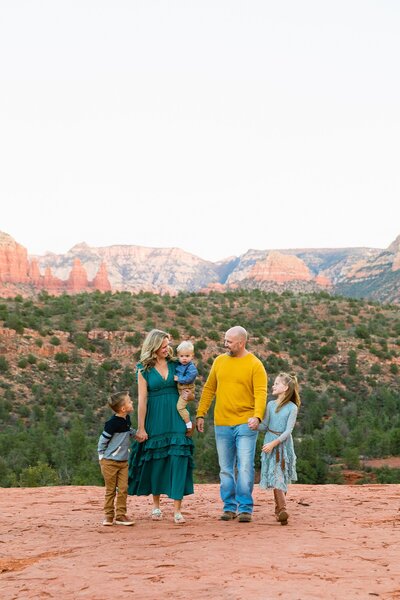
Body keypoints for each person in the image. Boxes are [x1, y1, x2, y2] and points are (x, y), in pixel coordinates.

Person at [196, 326, 267, 523]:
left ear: (242, 342)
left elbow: (261, 393)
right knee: (226, 468)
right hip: (222, 423)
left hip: (246, 423)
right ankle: (229, 507)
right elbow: (209, 388)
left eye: (229, 341)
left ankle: (245, 508)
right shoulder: (219, 361)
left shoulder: (255, 364)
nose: (225, 344)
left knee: (244, 467)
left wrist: (258, 416)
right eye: (225, 340)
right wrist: (201, 413)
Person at [128, 329, 194, 524]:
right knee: (156, 460)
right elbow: (142, 401)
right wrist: (141, 428)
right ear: (154, 346)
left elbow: (190, 393)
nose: (168, 349)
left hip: (176, 417)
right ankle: (156, 505)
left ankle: (177, 510)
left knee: (178, 458)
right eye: (164, 346)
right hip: (154, 418)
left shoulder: (178, 365)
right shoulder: (143, 369)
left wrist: (188, 396)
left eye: (168, 345)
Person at [254, 372, 301, 526]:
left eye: (276, 383)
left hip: (282, 444)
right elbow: (265, 425)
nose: (273, 386)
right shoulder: (270, 405)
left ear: (286, 387)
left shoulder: (292, 408)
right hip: (269, 440)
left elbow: (288, 431)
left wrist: (274, 444)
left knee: (281, 475)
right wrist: (255, 424)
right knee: (276, 476)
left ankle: (279, 511)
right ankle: (282, 509)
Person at [98, 390, 136, 526]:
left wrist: (136, 434)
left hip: (123, 462)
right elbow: (103, 441)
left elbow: (128, 431)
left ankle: (120, 515)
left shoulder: (126, 419)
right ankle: (108, 516)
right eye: (130, 401)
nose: (132, 403)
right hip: (109, 462)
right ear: (123, 408)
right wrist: (101, 456)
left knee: (123, 488)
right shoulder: (112, 423)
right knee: (110, 490)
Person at [174, 340, 198, 437]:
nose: (184, 359)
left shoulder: (191, 367)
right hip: (181, 389)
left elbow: (190, 378)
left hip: (186, 389)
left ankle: (189, 424)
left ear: (192, 356)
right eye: (182, 356)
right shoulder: (179, 364)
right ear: (178, 356)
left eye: (187, 356)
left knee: (180, 407)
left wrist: (179, 379)